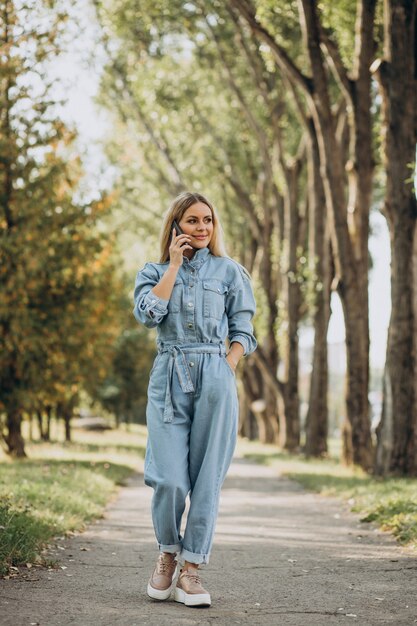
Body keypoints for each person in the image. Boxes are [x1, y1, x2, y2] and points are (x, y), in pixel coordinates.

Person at [132, 191, 257, 607]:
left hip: (215, 376)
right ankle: (167, 552)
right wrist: (173, 265)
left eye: (207, 220)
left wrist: (228, 365)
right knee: (169, 478)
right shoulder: (152, 271)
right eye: (191, 220)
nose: (201, 227)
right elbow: (148, 315)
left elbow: (244, 329)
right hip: (168, 373)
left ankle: (191, 570)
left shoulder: (229, 272)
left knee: (207, 480)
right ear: (175, 226)